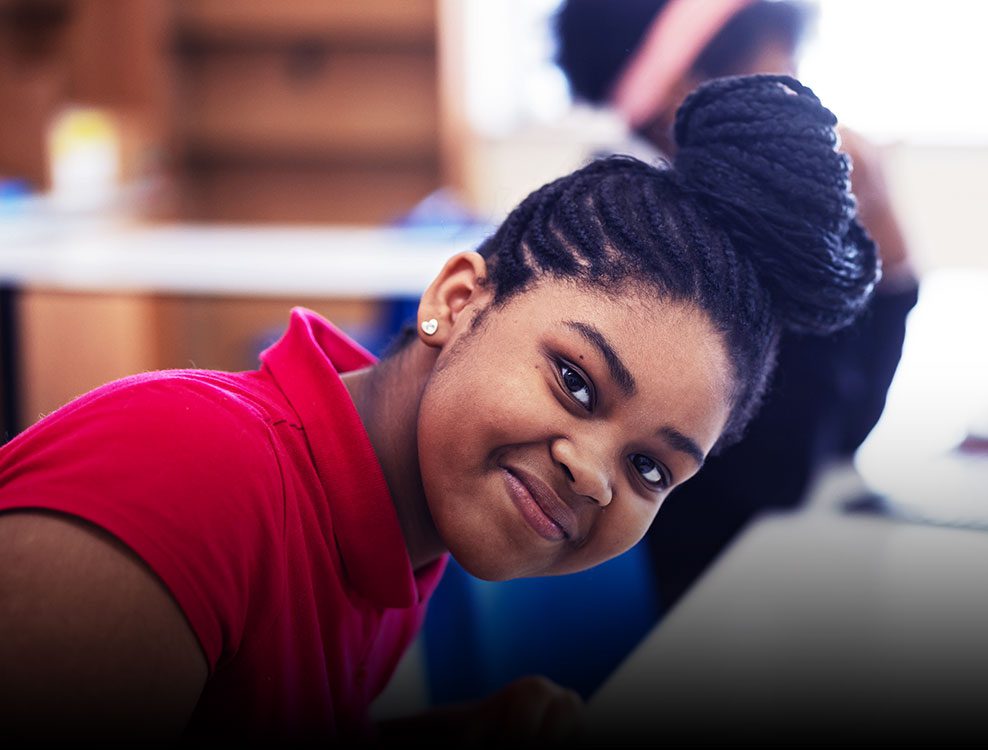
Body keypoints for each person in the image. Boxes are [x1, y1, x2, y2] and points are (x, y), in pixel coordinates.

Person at [0, 75, 877, 742]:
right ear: (458, 300)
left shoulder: (395, 534)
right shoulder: (189, 474)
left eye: (651, 467)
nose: (593, 473)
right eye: (575, 382)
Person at [554, 0, 920, 610]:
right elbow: (786, 470)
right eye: (785, 75)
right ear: (684, 87)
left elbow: (844, 434)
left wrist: (888, 257)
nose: (805, 104)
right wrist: (824, 241)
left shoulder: (698, 206)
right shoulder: (641, 234)